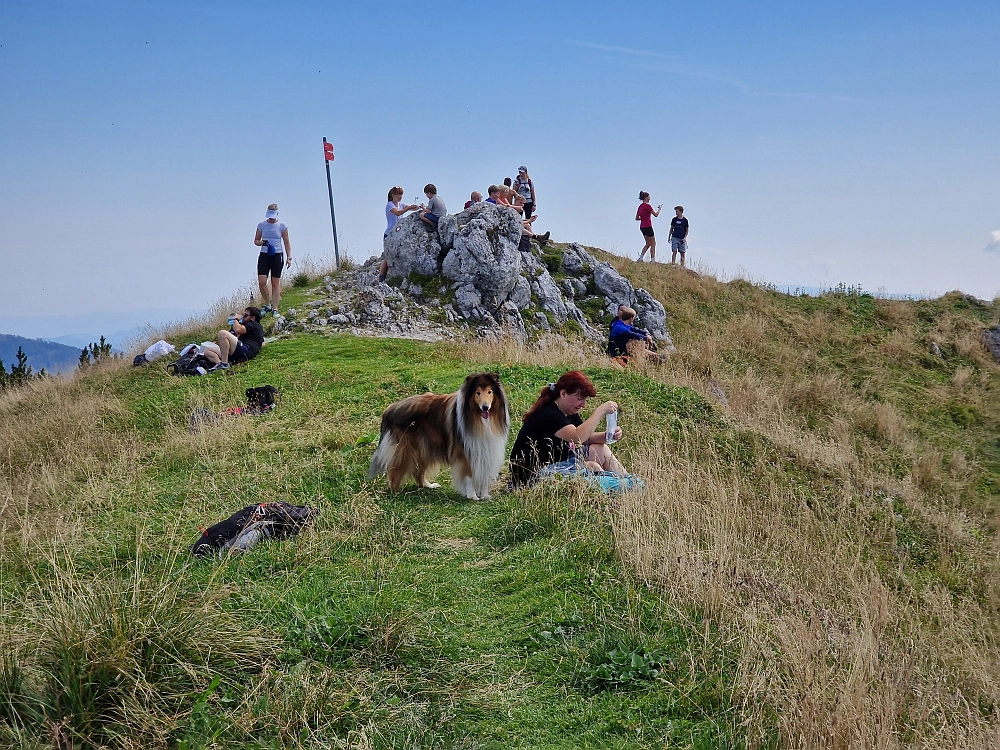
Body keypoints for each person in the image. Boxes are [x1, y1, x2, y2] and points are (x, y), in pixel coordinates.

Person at [509, 370, 625, 487]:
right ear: (563, 394)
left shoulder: (568, 411)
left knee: (601, 450)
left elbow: (585, 439)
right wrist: (600, 411)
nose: (583, 405)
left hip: (557, 463)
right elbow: (577, 437)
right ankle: (611, 492)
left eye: (584, 400)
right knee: (591, 467)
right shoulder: (549, 413)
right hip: (532, 475)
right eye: (579, 399)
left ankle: (627, 483)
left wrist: (608, 436)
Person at [255, 204, 292, 315]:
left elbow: (286, 241)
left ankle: (275, 309)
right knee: (262, 282)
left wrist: (289, 257)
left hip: (277, 255)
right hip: (264, 255)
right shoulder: (262, 225)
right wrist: (262, 242)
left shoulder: (282, 226)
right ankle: (267, 305)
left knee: (275, 282)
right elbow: (256, 240)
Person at [204, 306, 266, 372]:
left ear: (253, 318)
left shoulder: (254, 324)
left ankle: (224, 364)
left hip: (246, 350)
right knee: (208, 350)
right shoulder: (250, 327)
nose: (243, 316)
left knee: (222, 333)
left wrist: (236, 319)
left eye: (245, 315)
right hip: (239, 350)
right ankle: (220, 363)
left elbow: (238, 330)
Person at [381, 186, 419, 282]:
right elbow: (397, 213)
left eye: (401, 194)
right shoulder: (390, 205)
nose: (400, 196)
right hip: (389, 234)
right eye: (398, 194)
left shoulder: (400, 205)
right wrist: (409, 208)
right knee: (387, 257)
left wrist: (417, 207)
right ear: (393, 195)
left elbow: (410, 208)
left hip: (397, 235)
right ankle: (381, 278)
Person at [635, 192, 662, 262]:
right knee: (653, 243)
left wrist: (643, 218)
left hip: (642, 226)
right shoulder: (648, 206)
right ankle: (653, 260)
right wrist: (659, 209)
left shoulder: (640, 207)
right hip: (648, 226)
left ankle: (641, 258)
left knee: (648, 243)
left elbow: (636, 218)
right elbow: (656, 215)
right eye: (649, 197)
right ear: (646, 197)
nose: (650, 198)